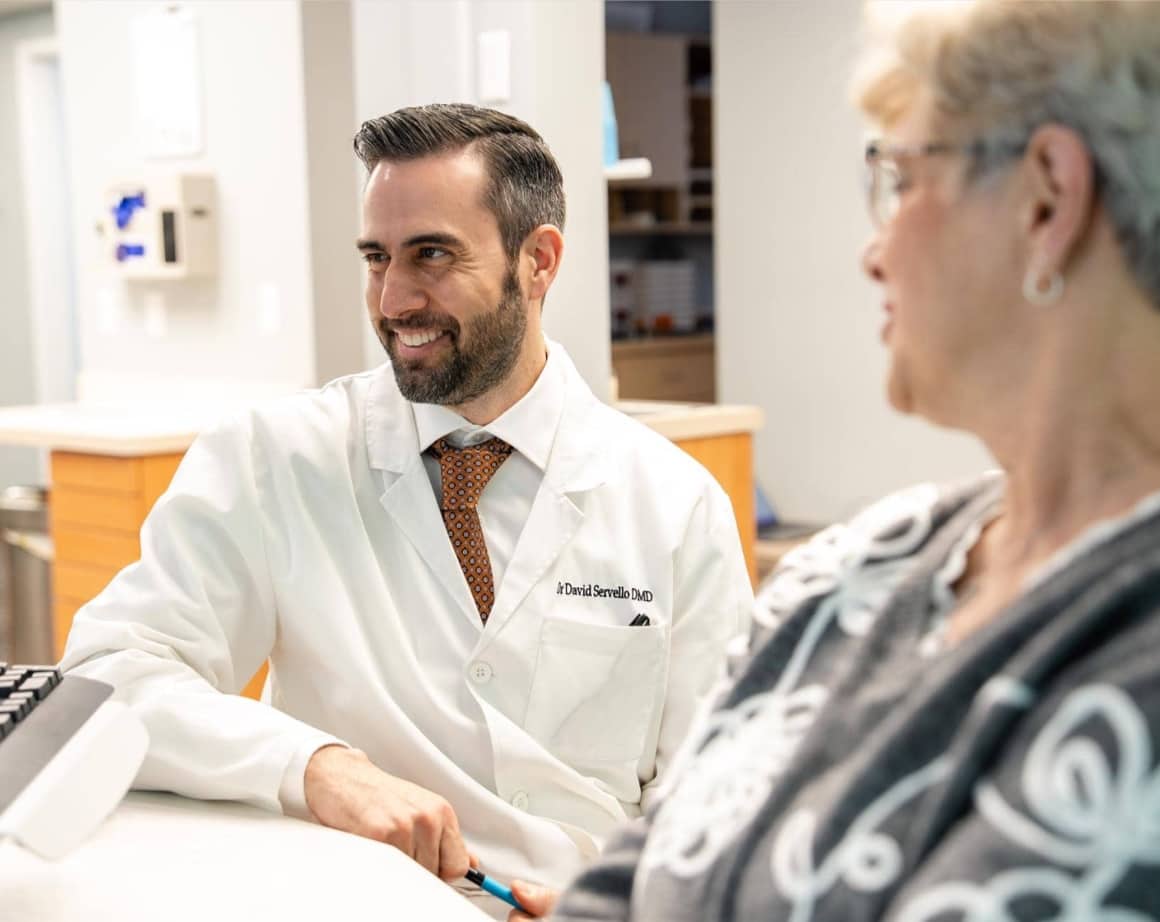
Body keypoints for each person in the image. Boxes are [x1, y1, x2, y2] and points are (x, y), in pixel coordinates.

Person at [507, 2, 1160, 920]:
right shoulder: (859, 564)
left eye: (901, 180)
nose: (875, 252)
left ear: (1047, 200)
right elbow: (627, 886)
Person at [60, 104, 752, 914]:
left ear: (538, 261)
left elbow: (722, 790)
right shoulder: (276, 459)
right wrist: (315, 766)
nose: (393, 300)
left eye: (432, 255)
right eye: (376, 258)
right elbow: (107, 674)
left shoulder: (673, 503)